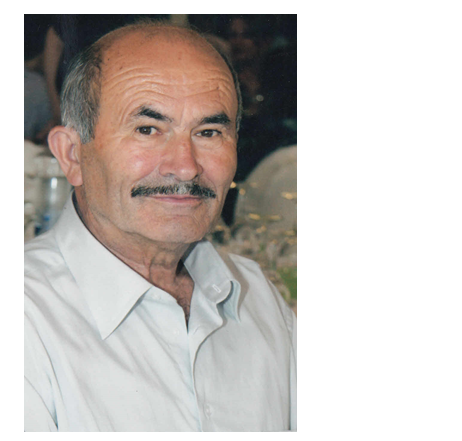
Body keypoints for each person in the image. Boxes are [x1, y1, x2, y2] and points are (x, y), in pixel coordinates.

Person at [24, 21, 296, 432]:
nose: (185, 166)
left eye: (209, 132)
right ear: (72, 155)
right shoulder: (24, 319)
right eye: (147, 130)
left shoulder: (255, 295)